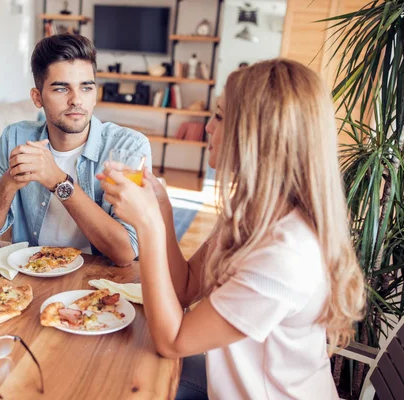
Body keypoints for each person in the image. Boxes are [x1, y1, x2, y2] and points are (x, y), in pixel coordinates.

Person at [97, 59, 365, 399]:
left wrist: (147, 225)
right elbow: (186, 287)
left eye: (220, 117)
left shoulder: (285, 255)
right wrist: (162, 207)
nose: (207, 127)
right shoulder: (255, 210)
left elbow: (173, 341)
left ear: (258, 135)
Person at [0, 34, 151, 266]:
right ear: (37, 97)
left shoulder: (128, 147)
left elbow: (125, 253)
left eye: (86, 88)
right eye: (62, 89)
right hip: (32, 275)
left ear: (95, 95)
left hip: (98, 283)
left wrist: (59, 181)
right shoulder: (16, 137)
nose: (76, 100)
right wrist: (9, 181)